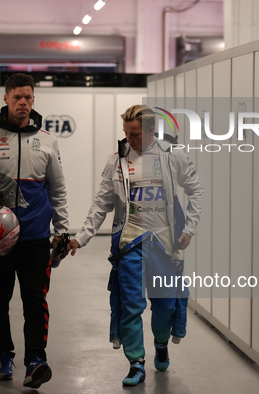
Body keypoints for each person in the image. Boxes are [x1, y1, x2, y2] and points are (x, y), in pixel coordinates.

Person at [68, 105, 204, 386]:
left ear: (152, 131)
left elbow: (196, 191)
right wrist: (81, 237)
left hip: (165, 244)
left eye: (135, 134)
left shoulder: (172, 156)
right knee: (131, 306)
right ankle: (136, 363)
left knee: (165, 306)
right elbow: (102, 203)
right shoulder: (116, 160)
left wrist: (189, 228)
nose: (128, 140)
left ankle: (161, 343)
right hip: (129, 243)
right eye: (126, 134)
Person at [0, 73, 68, 389]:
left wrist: (61, 229)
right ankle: (3, 355)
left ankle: (35, 359)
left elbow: (57, 188)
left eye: (29, 97)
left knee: (35, 300)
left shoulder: (47, 139)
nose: (23, 102)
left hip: (36, 239)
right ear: (6, 99)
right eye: (18, 97)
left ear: (34, 100)